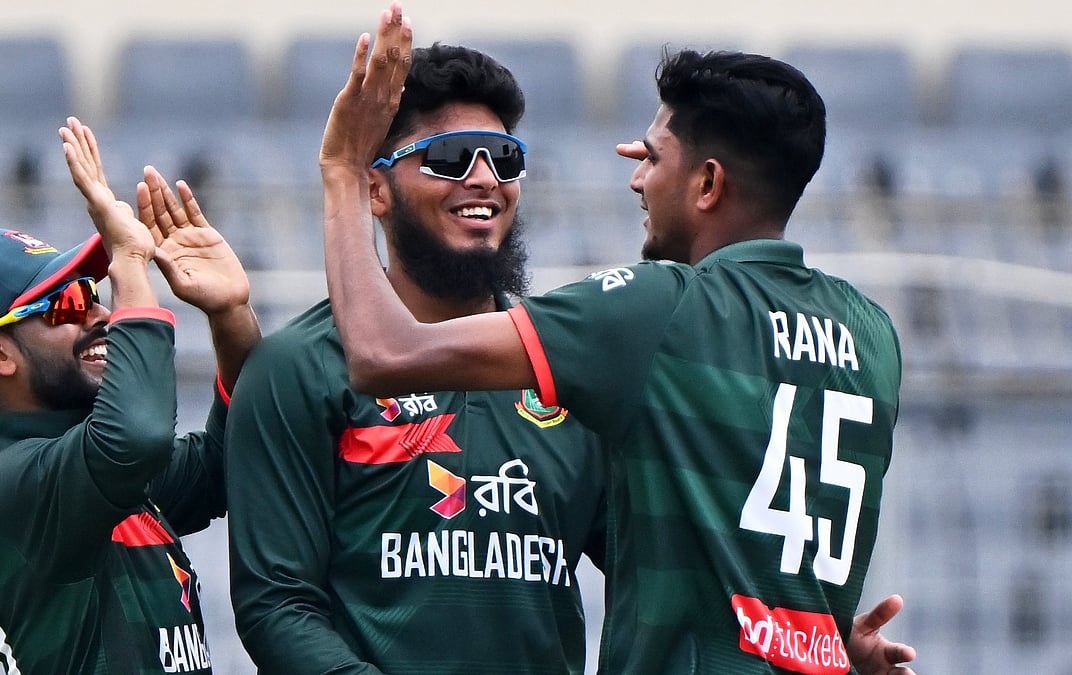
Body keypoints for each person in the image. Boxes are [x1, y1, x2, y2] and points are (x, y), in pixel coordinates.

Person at [318, 5, 914, 674]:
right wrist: (827, 635)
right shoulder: (871, 333)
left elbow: (380, 353)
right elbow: (754, 514)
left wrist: (344, 172)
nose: (636, 177)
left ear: (709, 183)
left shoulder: (659, 310)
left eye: (653, 159)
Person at [224, 43, 609, 674]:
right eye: (451, 157)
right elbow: (277, 604)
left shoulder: (566, 367)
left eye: (504, 159)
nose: (484, 178)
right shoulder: (297, 366)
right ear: (375, 189)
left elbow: (649, 567)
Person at [0, 116, 260, 674]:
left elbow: (235, 456)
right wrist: (129, 264)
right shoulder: (9, 490)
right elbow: (136, 438)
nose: (102, 313)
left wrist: (228, 314)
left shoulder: (98, 465)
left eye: (95, 291)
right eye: (68, 303)